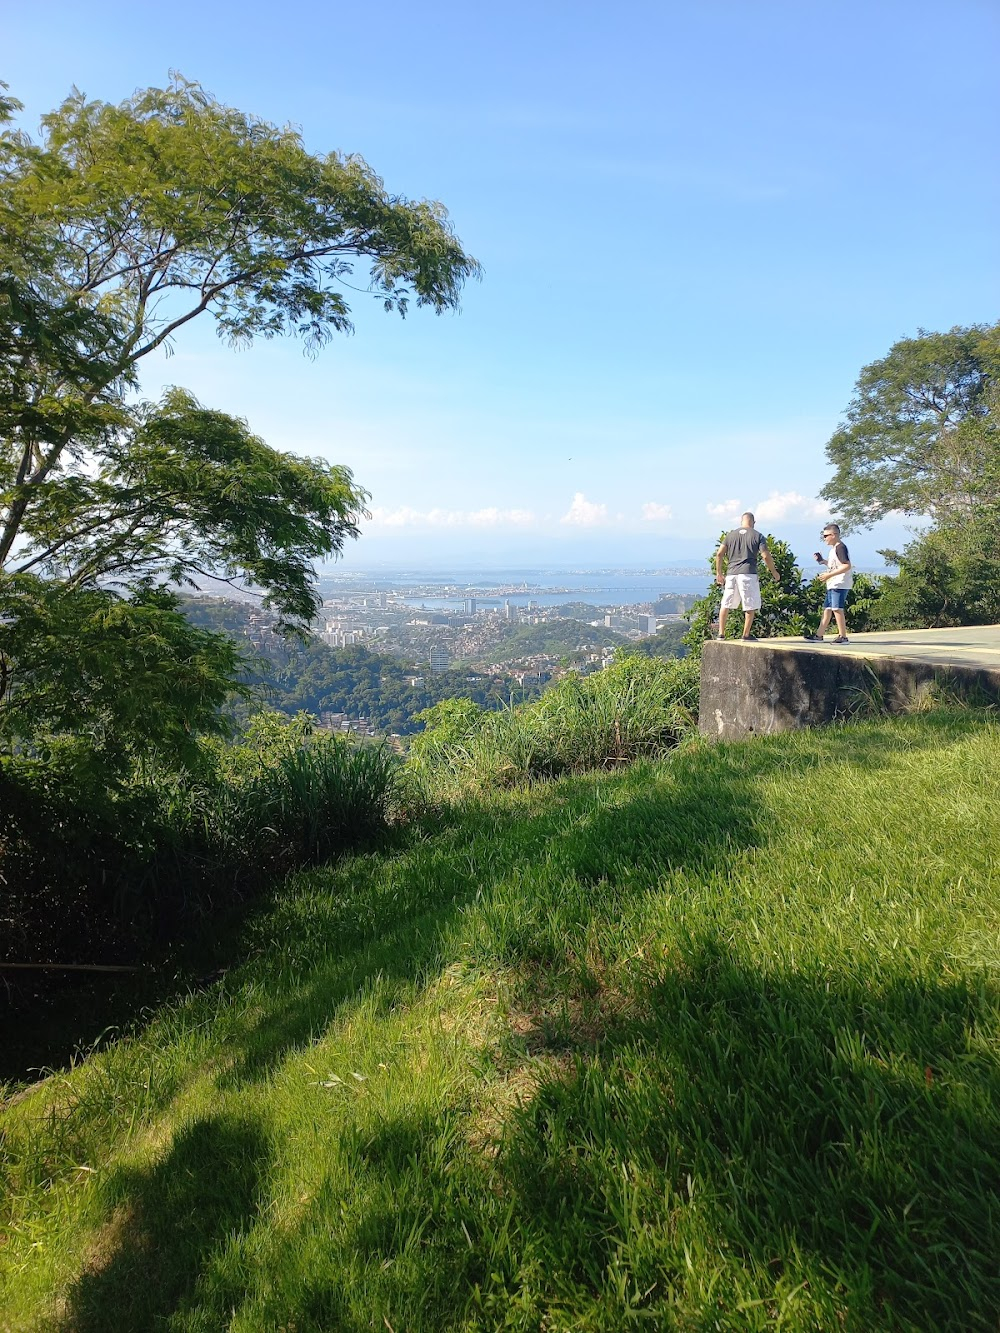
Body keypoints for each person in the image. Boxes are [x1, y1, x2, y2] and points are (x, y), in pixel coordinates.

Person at [714, 512, 780, 641]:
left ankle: (721, 633)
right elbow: (765, 556)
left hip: (732, 573)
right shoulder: (757, 536)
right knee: (750, 604)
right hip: (748, 573)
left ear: (741, 521)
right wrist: (774, 572)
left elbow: (719, 554)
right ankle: (746, 634)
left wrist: (719, 573)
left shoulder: (730, 535)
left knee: (726, 603)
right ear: (753, 522)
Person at [805, 523, 853, 644]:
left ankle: (843, 636)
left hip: (839, 583)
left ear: (834, 535)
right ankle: (819, 635)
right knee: (827, 609)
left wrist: (829, 575)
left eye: (826, 536)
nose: (824, 538)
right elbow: (835, 565)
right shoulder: (834, 549)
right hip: (833, 583)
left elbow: (846, 566)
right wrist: (822, 561)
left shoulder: (840, 547)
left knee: (837, 609)